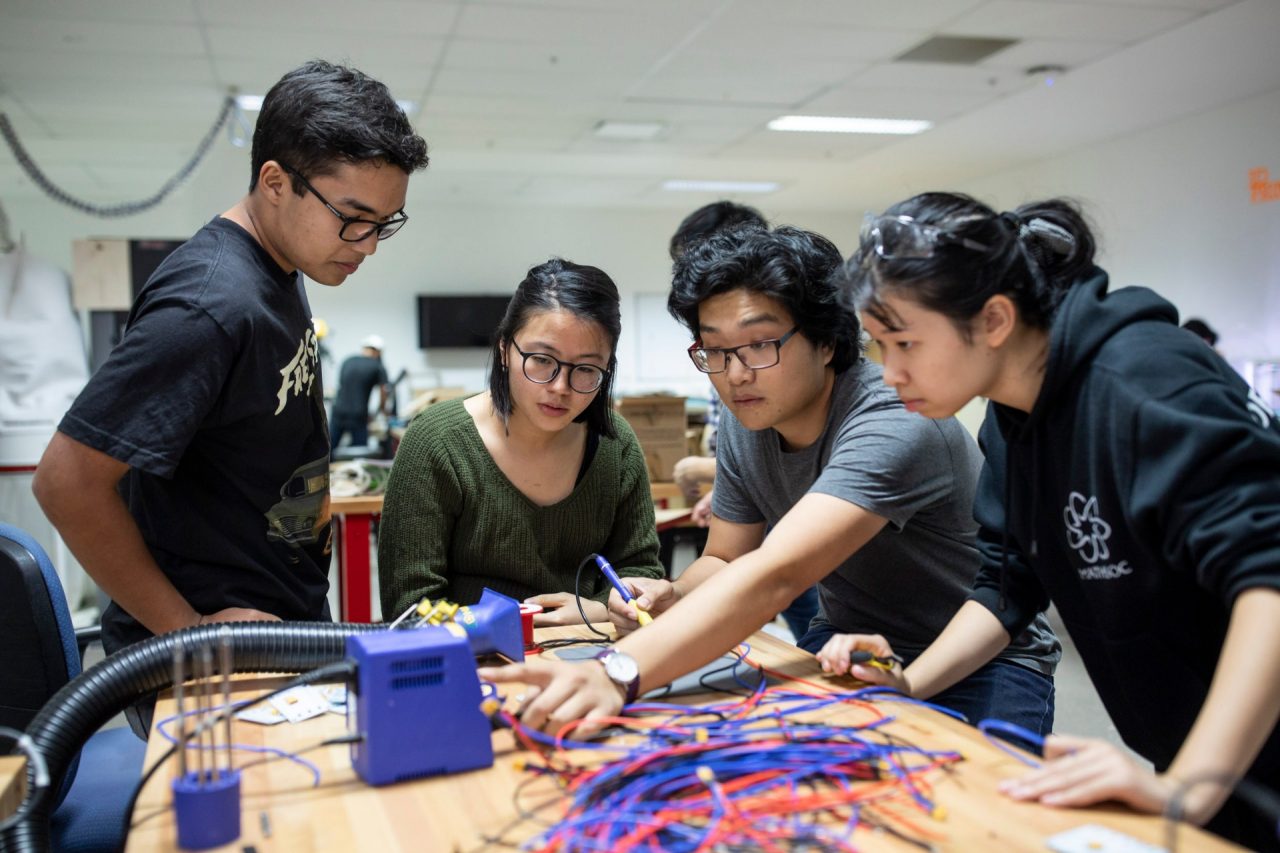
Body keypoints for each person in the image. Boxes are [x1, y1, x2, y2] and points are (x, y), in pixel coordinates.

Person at [480, 225, 1060, 735]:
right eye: (714, 350)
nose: (734, 375)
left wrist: (616, 672)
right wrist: (673, 593)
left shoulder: (895, 420)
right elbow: (726, 558)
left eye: (759, 345)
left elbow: (777, 576)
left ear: (826, 341)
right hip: (847, 646)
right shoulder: (748, 419)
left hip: (984, 663)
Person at [837, 192, 1279, 849]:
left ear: (994, 319)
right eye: (880, 344)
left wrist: (1190, 785)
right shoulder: (1010, 420)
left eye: (905, 342)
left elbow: (1268, 579)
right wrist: (907, 685)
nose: (891, 371)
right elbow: (1007, 583)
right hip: (1209, 744)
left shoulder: (1144, 380)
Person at [32, 60, 429, 677]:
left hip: (274, 626)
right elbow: (66, 482)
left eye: (384, 223)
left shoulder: (282, 266)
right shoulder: (209, 305)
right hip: (211, 656)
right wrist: (187, 630)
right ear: (275, 182)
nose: (369, 243)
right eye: (353, 218)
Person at [378, 258, 664, 626]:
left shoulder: (614, 444)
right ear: (504, 350)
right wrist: (521, 625)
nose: (560, 387)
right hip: (469, 655)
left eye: (586, 369)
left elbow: (640, 570)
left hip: (587, 649)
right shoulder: (437, 442)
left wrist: (595, 609)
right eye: (542, 360)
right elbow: (409, 606)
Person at [330, 334, 391, 455]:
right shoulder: (378, 366)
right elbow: (384, 391)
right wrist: (383, 411)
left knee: (329, 450)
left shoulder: (347, 361)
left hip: (338, 411)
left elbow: (342, 384)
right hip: (358, 414)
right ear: (377, 351)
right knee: (360, 454)